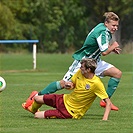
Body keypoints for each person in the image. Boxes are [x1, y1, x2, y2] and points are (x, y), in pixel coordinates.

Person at [22, 11, 122, 111]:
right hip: (83, 62)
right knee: (64, 84)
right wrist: (113, 46)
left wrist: (110, 47)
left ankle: (105, 101)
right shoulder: (102, 32)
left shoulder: (102, 28)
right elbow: (104, 52)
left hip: (95, 62)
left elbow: (100, 45)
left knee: (117, 73)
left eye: (117, 26)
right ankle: (35, 96)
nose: (115, 28)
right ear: (106, 23)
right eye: (113, 25)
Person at [23, 58, 111, 120]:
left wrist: (104, 119)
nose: (80, 68)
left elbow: (108, 103)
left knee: (37, 116)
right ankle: (32, 109)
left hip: (70, 112)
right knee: (37, 98)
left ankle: (44, 113)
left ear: (88, 70)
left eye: (82, 67)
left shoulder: (97, 84)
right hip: (64, 99)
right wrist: (69, 85)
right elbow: (73, 85)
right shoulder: (80, 73)